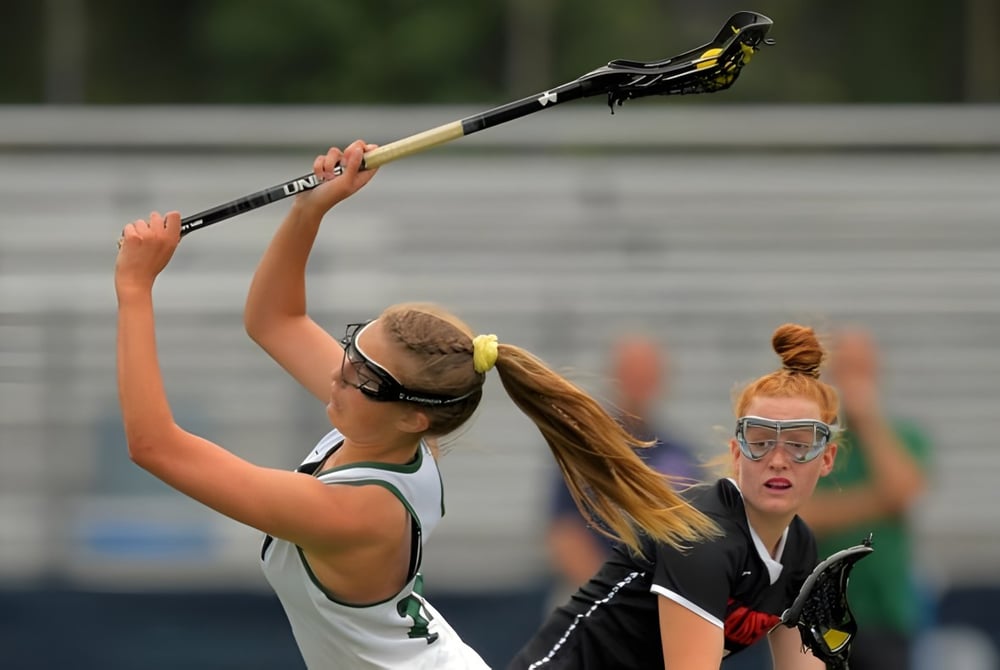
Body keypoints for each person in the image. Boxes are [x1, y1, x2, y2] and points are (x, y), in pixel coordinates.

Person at [113, 140, 718, 670]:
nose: (341, 375)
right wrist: (311, 208)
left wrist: (136, 290)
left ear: (414, 414)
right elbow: (276, 319)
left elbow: (154, 446)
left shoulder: (357, 511)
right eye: (353, 350)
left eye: (365, 378)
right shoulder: (387, 426)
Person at [509, 323, 841, 670]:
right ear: (736, 453)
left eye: (799, 445)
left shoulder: (797, 546)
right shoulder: (702, 541)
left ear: (827, 459)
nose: (777, 460)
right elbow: (563, 533)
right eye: (759, 442)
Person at [799, 327, 933, 670]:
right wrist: (878, 503)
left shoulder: (903, 437)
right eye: (846, 370)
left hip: (886, 614)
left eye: (862, 369)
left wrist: (868, 420)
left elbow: (904, 492)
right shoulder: (815, 443)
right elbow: (805, 517)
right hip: (823, 616)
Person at [546, 335, 701, 595]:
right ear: (614, 377)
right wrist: (610, 594)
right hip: (592, 594)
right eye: (631, 373)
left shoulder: (679, 456)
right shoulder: (584, 450)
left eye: (645, 374)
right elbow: (564, 532)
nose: (638, 382)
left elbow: (697, 536)